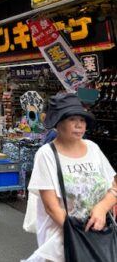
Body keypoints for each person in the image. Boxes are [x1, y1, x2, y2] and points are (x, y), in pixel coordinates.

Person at [24, 92, 117, 262]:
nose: (79, 125)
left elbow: (114, 186)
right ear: (58, 123)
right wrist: (80, 237)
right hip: (63, 243)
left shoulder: (93, 148)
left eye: (82, 120)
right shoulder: (46, 154)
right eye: (72, 119)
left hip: (99, 236)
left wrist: (102, 208)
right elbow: (52, 208)